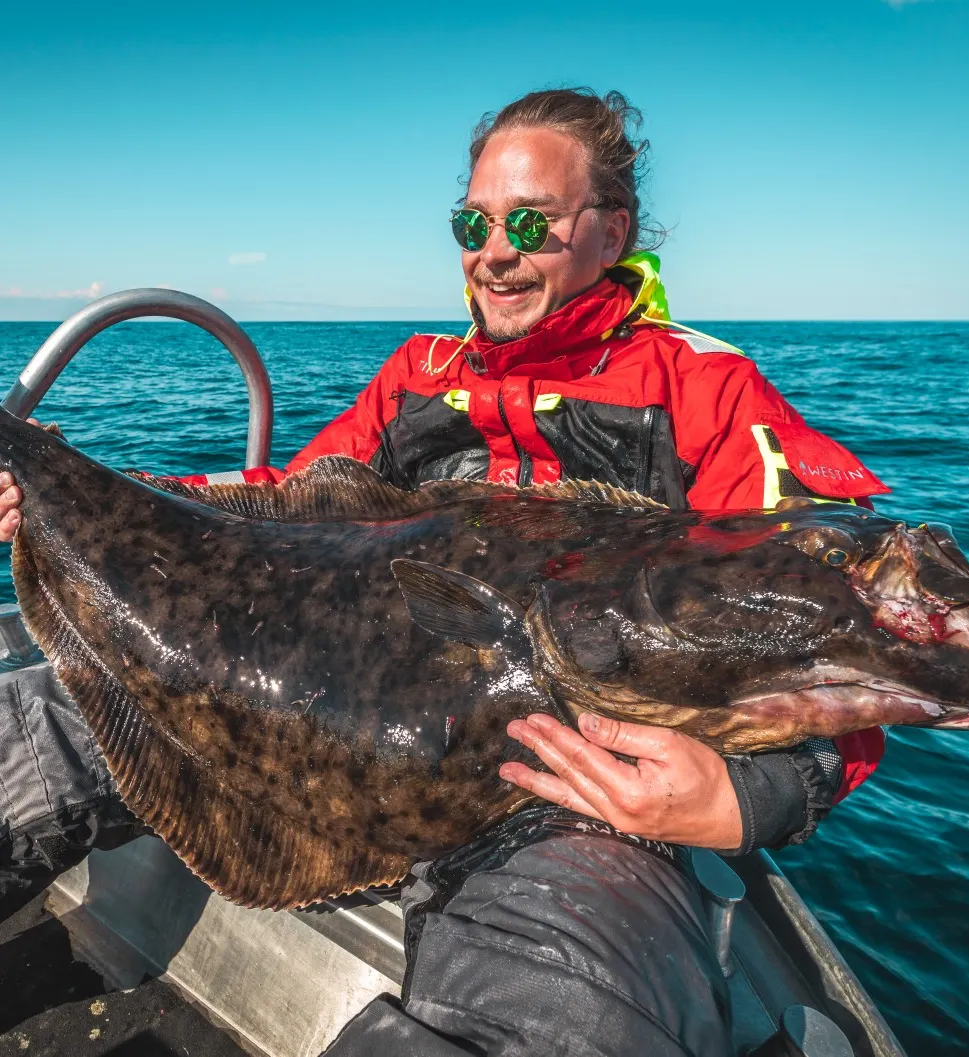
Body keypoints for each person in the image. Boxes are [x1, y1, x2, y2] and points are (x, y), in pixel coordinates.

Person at [0, 88, 887, 1054]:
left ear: (611, 230)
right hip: (310, 713)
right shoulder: (415, 375)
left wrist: (747, 797)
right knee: (34, 731)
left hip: (563, 803)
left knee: (563, 1009)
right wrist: (67, 487)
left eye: (528, 223)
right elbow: (288, 507)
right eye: (473, 221)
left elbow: (843, 622)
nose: (492, 249)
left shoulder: (705, 391)